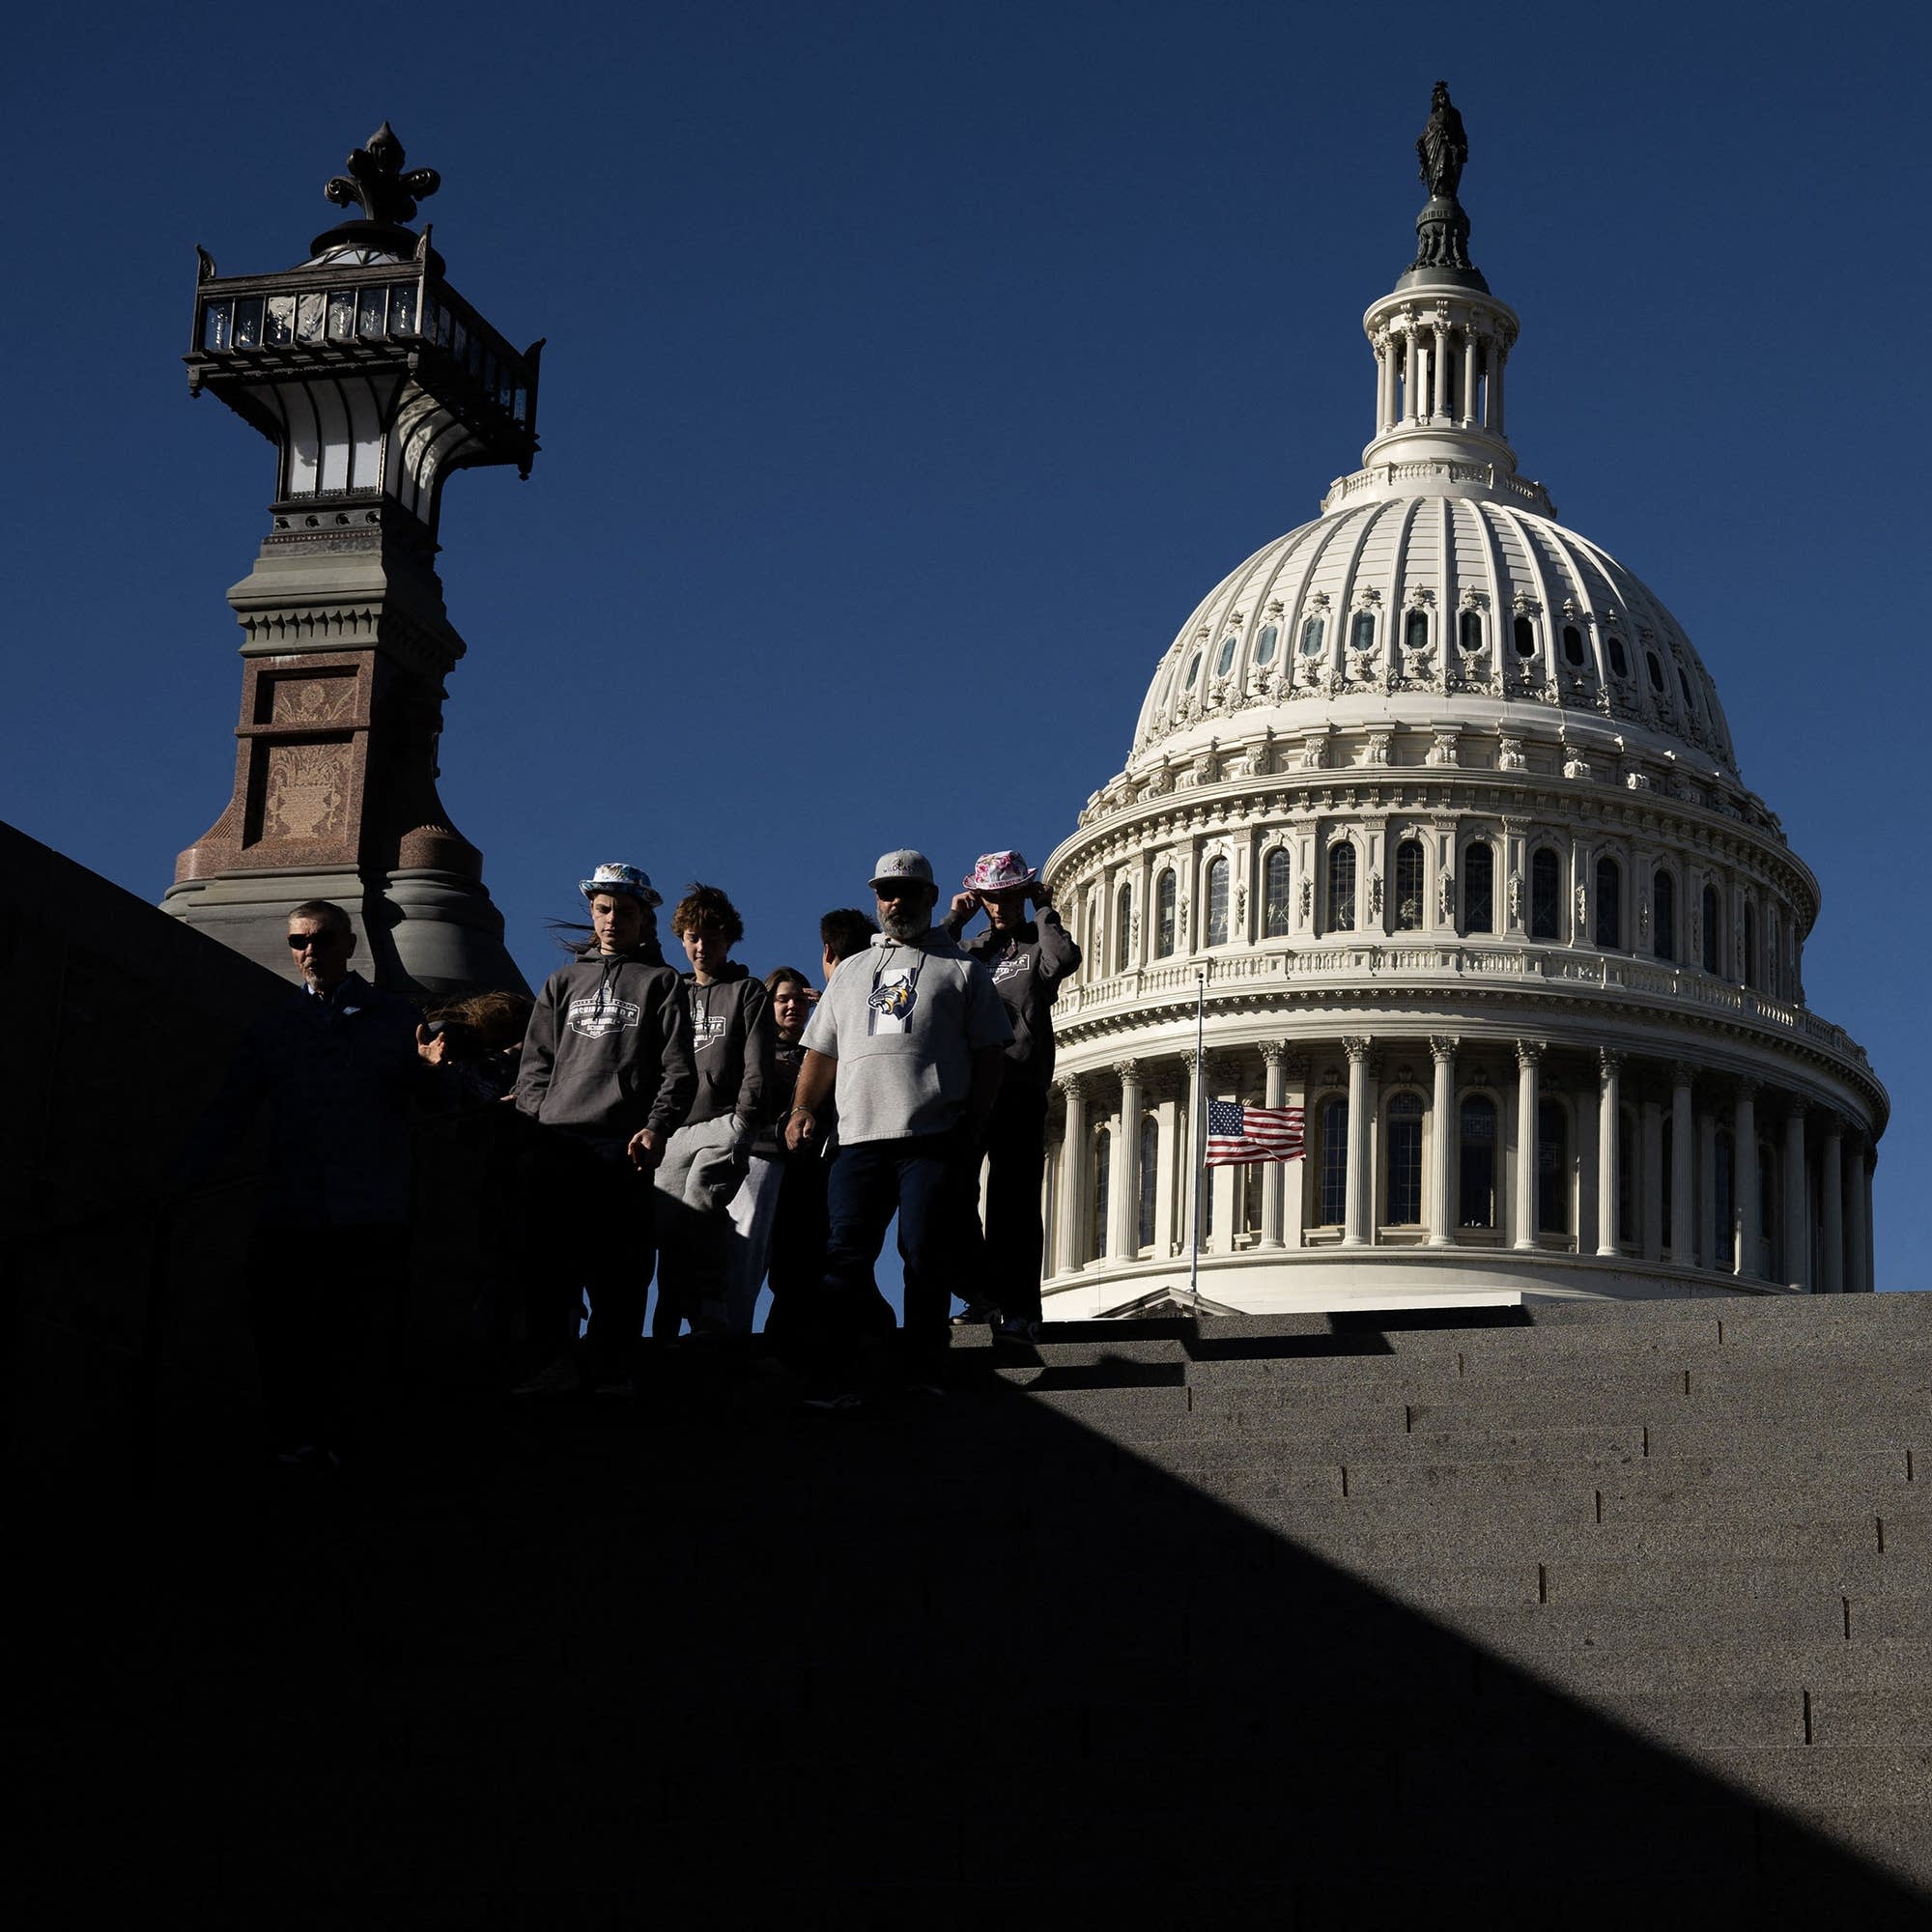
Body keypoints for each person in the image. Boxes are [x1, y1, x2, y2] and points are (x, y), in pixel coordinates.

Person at [182, 899, 428, 1469]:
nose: (308, 951)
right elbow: (232, 1108)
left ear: (349, 944)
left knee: (357, 1332)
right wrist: (186, 1175)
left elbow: (433, 1100)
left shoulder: (395, 1018)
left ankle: (347, 1444)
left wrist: (435, 1071)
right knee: (283, 1328)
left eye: (320, 939)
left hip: (368, 1206)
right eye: (297, 942)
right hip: (294, 1204)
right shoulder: (277, 1025)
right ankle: (297, 1438)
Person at [785, 850, 1011, 1402]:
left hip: (931, 1137)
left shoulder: (962, 970)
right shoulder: (852, 971)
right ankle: (843, 1371)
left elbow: (990, 1055)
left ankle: (924, 1370)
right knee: (844, 1256)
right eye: (886, 893)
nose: (896, 902)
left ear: (930, 897)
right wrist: (803, 1108)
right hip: (857, 1138)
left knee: (924, 1254)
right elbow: (821, 1052)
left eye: (908, 892)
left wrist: (973, 1123)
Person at [512, 863, 696, 1395]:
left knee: (620, 1266)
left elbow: (678, 1070)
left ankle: (612, 1370)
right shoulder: (561, 982)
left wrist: (657, 1126)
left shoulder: (661, 982)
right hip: (558, 1143)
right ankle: (552, 1366)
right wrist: (535, 1123)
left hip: (623, 1144)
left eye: (625, 911)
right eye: (603, 909)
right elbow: (535, 1066)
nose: (613, 919)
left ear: (644, 919)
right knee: (550, 1265)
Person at [941, 850, 1081, 1341]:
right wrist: (954, 920)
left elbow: (1065, 959)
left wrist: (1044, 909)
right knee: (951, 1191)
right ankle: (980, 1291)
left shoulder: (1037, 945)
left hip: (1020, 1083)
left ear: (1022, 893)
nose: (998, 906)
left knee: (1013, 1204)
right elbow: (925, 967)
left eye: (1007, 895)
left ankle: (1020, 1308)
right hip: (970, 1087)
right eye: (990, 897)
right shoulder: (970, 950)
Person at [651, 884, 773, 1340]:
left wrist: (744, 1119)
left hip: (722, 1120)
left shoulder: (746, 991)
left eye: (712, 938)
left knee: (702, 1206)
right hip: (673, 1128)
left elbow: (757, 1064)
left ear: (729, 939)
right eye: (693, 937)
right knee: (669, 1226)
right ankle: (669, 1320)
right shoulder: (670, 991)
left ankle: (711, 1311)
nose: (702, 947)